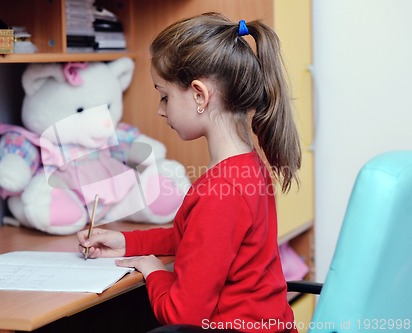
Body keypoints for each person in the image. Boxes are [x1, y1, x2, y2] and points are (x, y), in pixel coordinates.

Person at [77, 12, 301, 333]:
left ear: (200, 95)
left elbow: (183, 315)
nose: (160, 109)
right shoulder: (246, 165)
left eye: (164, 95)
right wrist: (126, 242)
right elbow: (193, 237)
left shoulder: (222, 191)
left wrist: (153, 270)